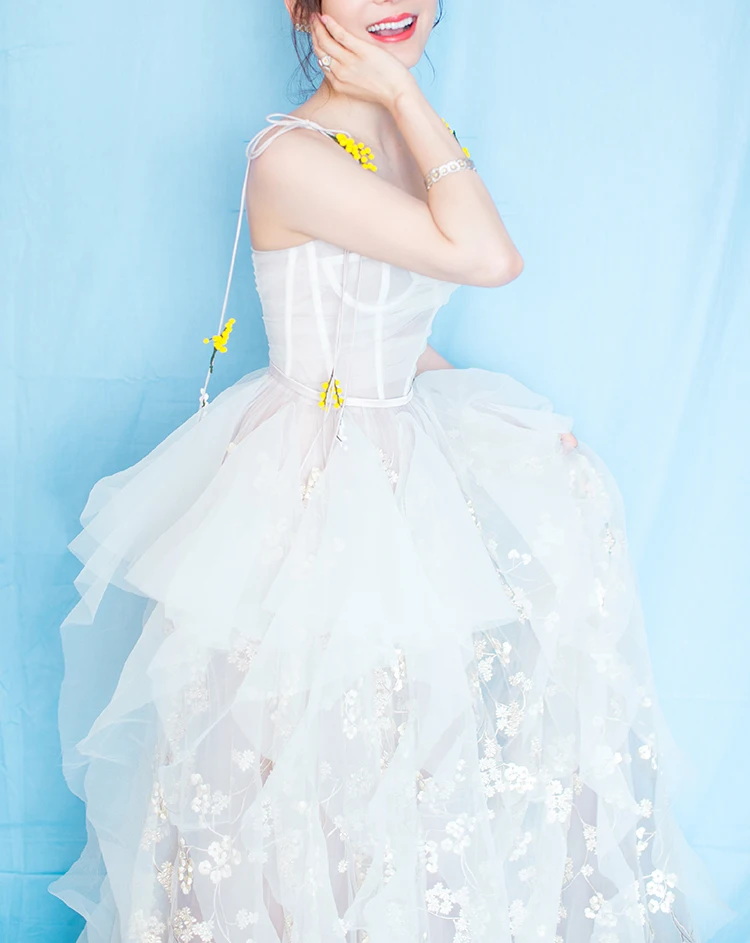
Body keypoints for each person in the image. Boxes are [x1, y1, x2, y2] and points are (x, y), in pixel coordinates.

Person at [49, 3, 731, 942]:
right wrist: (407, 98)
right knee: (300, 767)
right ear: (307, 10)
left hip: (399, 469)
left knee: (405, 760)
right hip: (307, 481)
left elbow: (395, 334)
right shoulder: (289, 157)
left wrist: (511, 430)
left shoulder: (415, 145)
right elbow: (487, 257)